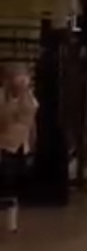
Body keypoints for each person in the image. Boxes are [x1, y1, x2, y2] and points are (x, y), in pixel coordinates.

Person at [0, 63, 38, 213]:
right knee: (7, 179)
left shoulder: (30, 99)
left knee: (17, 182)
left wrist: (34, 142)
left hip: (22, 146)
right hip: (4, 146)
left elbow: (32, 123)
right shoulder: (2, 98)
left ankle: (12, 214)